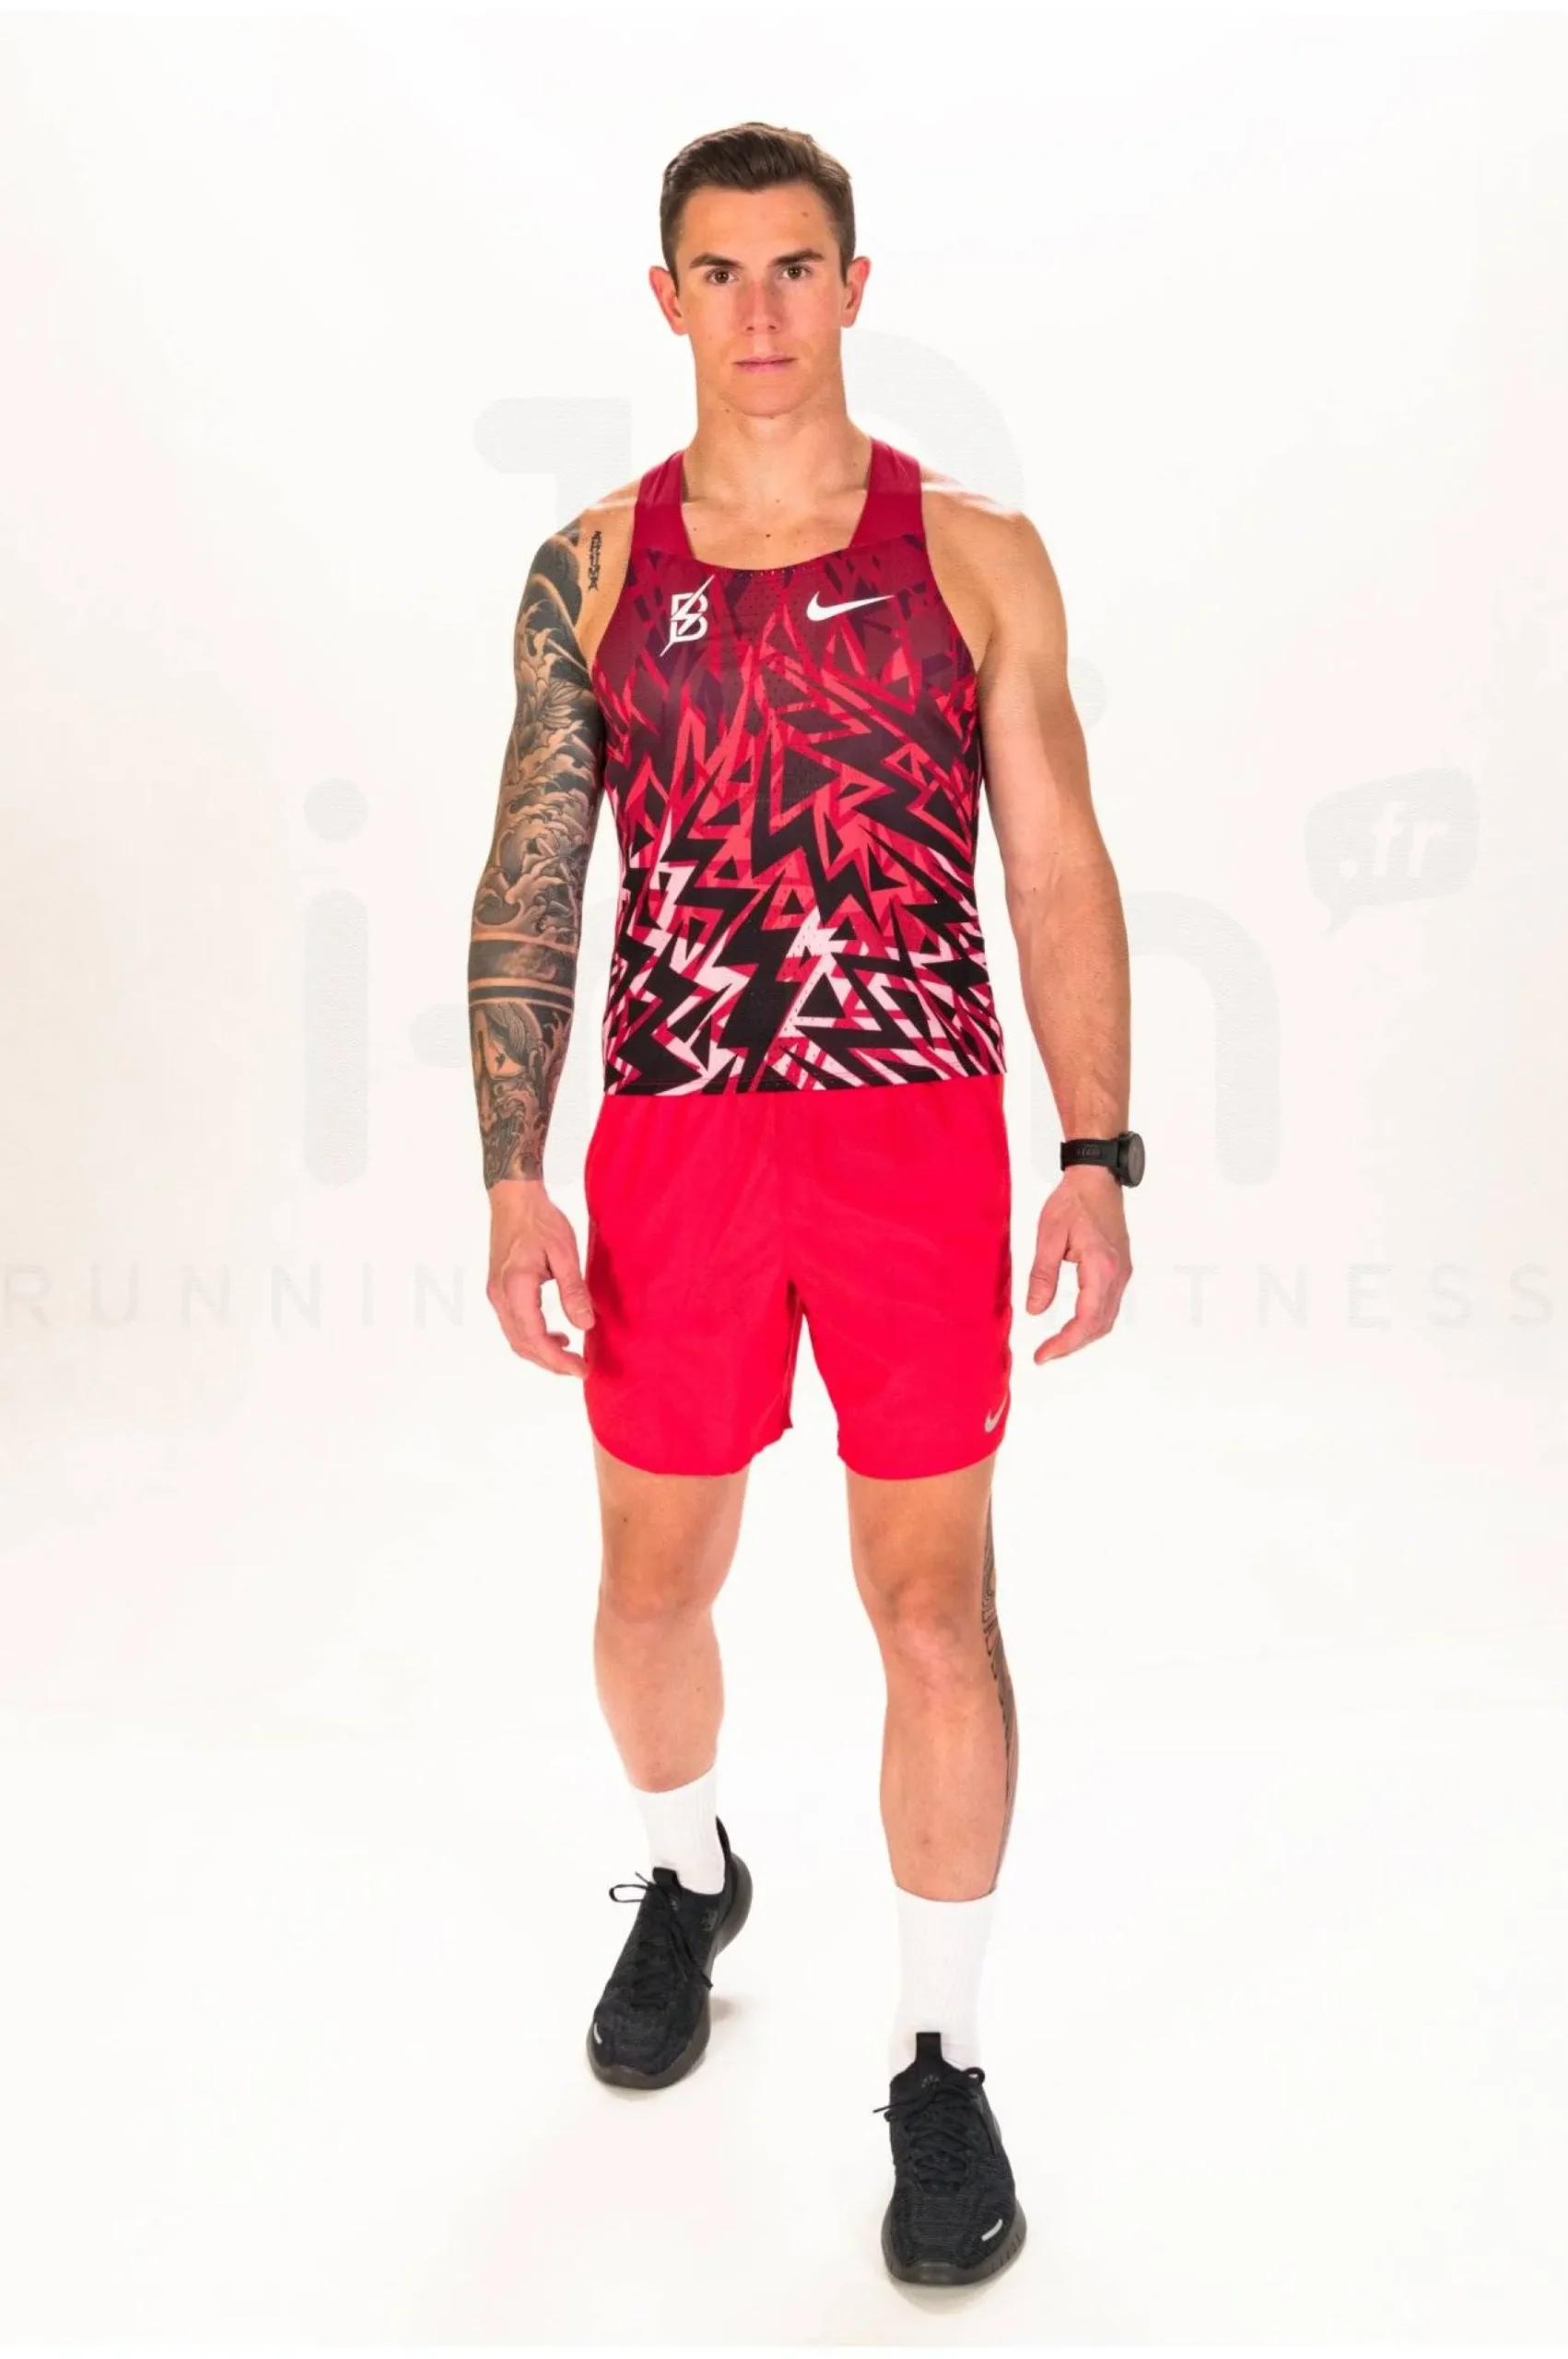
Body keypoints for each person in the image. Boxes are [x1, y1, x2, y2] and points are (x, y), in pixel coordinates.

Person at [468, 120, 1139, 2290]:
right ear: (664, 299)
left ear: (854, 287)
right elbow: (531, 876)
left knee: (930, 1609)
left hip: (909, 1128)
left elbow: (1053, 859)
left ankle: (939, 2059)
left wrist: (1093, 1149)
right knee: (648, 1584)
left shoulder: (978, 555)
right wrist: (512, 1172)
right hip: (675, 1134)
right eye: (717, 271)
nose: (756, 310)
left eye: (792, 267)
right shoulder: (590, 566)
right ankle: (687, 1873)